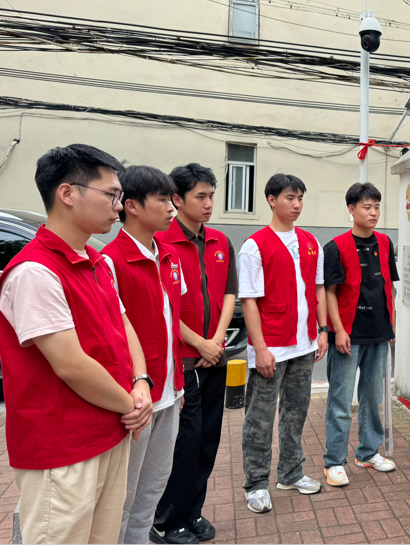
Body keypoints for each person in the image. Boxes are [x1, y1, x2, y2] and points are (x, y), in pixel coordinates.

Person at [0, 144, 153, 544]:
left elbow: (124, 325)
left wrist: (141, 381)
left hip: (111, 431)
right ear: (67, 193)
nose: (118, 206)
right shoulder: (35, 271)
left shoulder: (96, 262)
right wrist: (133, 405)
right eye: (111, 194)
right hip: (63, 448)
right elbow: (70, 365)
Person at [101, 166, 187, 545]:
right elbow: (113, 336)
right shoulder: (110, 261)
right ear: (132, 206)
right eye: (163, 200)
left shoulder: (169, 256)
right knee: (121, 497)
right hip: (135, 401)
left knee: (152, 490)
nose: (172, 208)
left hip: (170, 392)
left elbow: (173, 322)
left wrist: (179, 385)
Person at [152, 164, 237, 545]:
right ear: (177, 198)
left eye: (211, 196)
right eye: (200, 196)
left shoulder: (220, 241)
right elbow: (164, 305)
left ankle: (193, 512)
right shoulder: (161, 242)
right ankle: (166, 520)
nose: (208, 204)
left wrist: (215, 341)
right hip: (183, 360)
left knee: (208, 440)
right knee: (183, 443)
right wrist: (199, 343)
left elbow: (230, 294)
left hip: (214, 356)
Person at [237, 174, 329, 512]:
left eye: (300, 198)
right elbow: (249, 301)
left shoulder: (310, 242)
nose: (297, 204)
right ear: (272, 200)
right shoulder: (254, 246)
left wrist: (322, 330)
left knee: (296, 412)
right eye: (290, 197)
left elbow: (318, 289)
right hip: (271, 347)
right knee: (259, 419)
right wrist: (260, 348)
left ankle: (291, 473)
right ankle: (256, 483)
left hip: (304, 344)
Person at [322, 182, 400, 487]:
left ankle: (368, 452)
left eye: (377, 207)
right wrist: (338, 330)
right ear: (351, 209)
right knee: (341, 401)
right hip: (347, 335)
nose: (373, 213)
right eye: (367, 207)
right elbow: (329, 292)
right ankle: (334, 461)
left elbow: (388, 286)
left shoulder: (385, 243)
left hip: (378, 333)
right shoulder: (336, 247)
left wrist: (392, 324)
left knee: (372, 397)